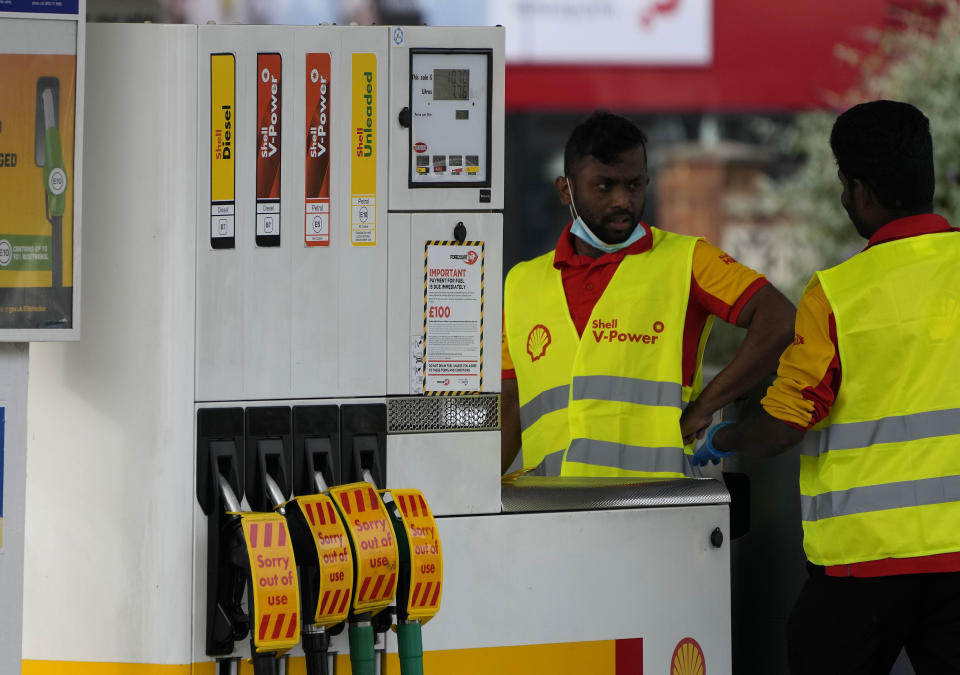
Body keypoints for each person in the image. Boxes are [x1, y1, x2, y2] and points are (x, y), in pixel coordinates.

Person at [694, 100, 960, 673]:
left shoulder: (836, 294)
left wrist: (726, 437)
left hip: (861, 568)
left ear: (860, 191)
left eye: (843, 185)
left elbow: (787, 424)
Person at [501, 111, 795, 477]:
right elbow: (511, 404)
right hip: (551, 513)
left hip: (653, 508)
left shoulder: (688, 259)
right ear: (566, 190)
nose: (622, 200)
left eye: (634, 185)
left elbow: (780, 318)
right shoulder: (521, 283)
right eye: (604, 186)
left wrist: (705, 407)